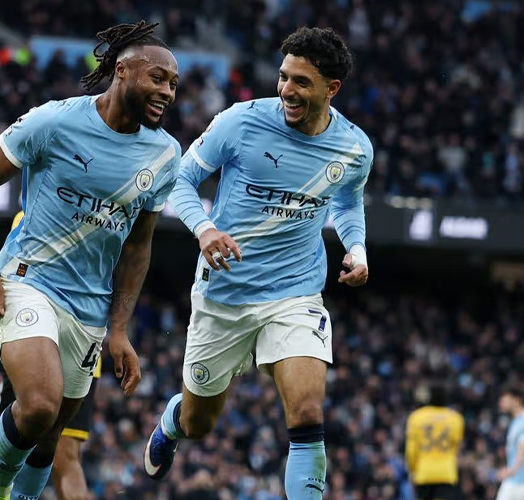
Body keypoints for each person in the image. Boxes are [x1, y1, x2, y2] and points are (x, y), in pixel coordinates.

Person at [144, 26, 372, 499]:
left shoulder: (354, 149)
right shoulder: (240, 122)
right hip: (225, 293)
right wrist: (204, 229)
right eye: (284, 77)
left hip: (295, 293)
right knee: (199, 423)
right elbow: (181, 179)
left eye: (301, 82)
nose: (287, 90)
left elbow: (348, 202)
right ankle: (172, 421)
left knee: (306, 411)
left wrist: (357, 247)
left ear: (332, 88)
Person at [0, 20, 180, 500]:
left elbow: (138, 246)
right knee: (39, 405)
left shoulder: (165, 155)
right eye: (157, 78)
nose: (167, 92)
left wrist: (119, 329)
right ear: (121, 70)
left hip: (90, 309)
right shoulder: (54, 121)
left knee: (50, 437)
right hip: (28, 279)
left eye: (173, 84)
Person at [0, 215, 100, 500]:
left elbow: (12, 290)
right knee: (61, 452)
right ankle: (1, 490)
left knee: (42, 441)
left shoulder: (32, 214)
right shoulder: (109, 211)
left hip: (41, 341)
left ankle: (0, 490)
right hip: (76, 343)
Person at [405, 384, 464, 500]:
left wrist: (412, 471)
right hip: (446, 472)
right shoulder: (455, 418)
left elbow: (411, 450)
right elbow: (457, 448)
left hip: (424, 472)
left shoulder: (416, 417)